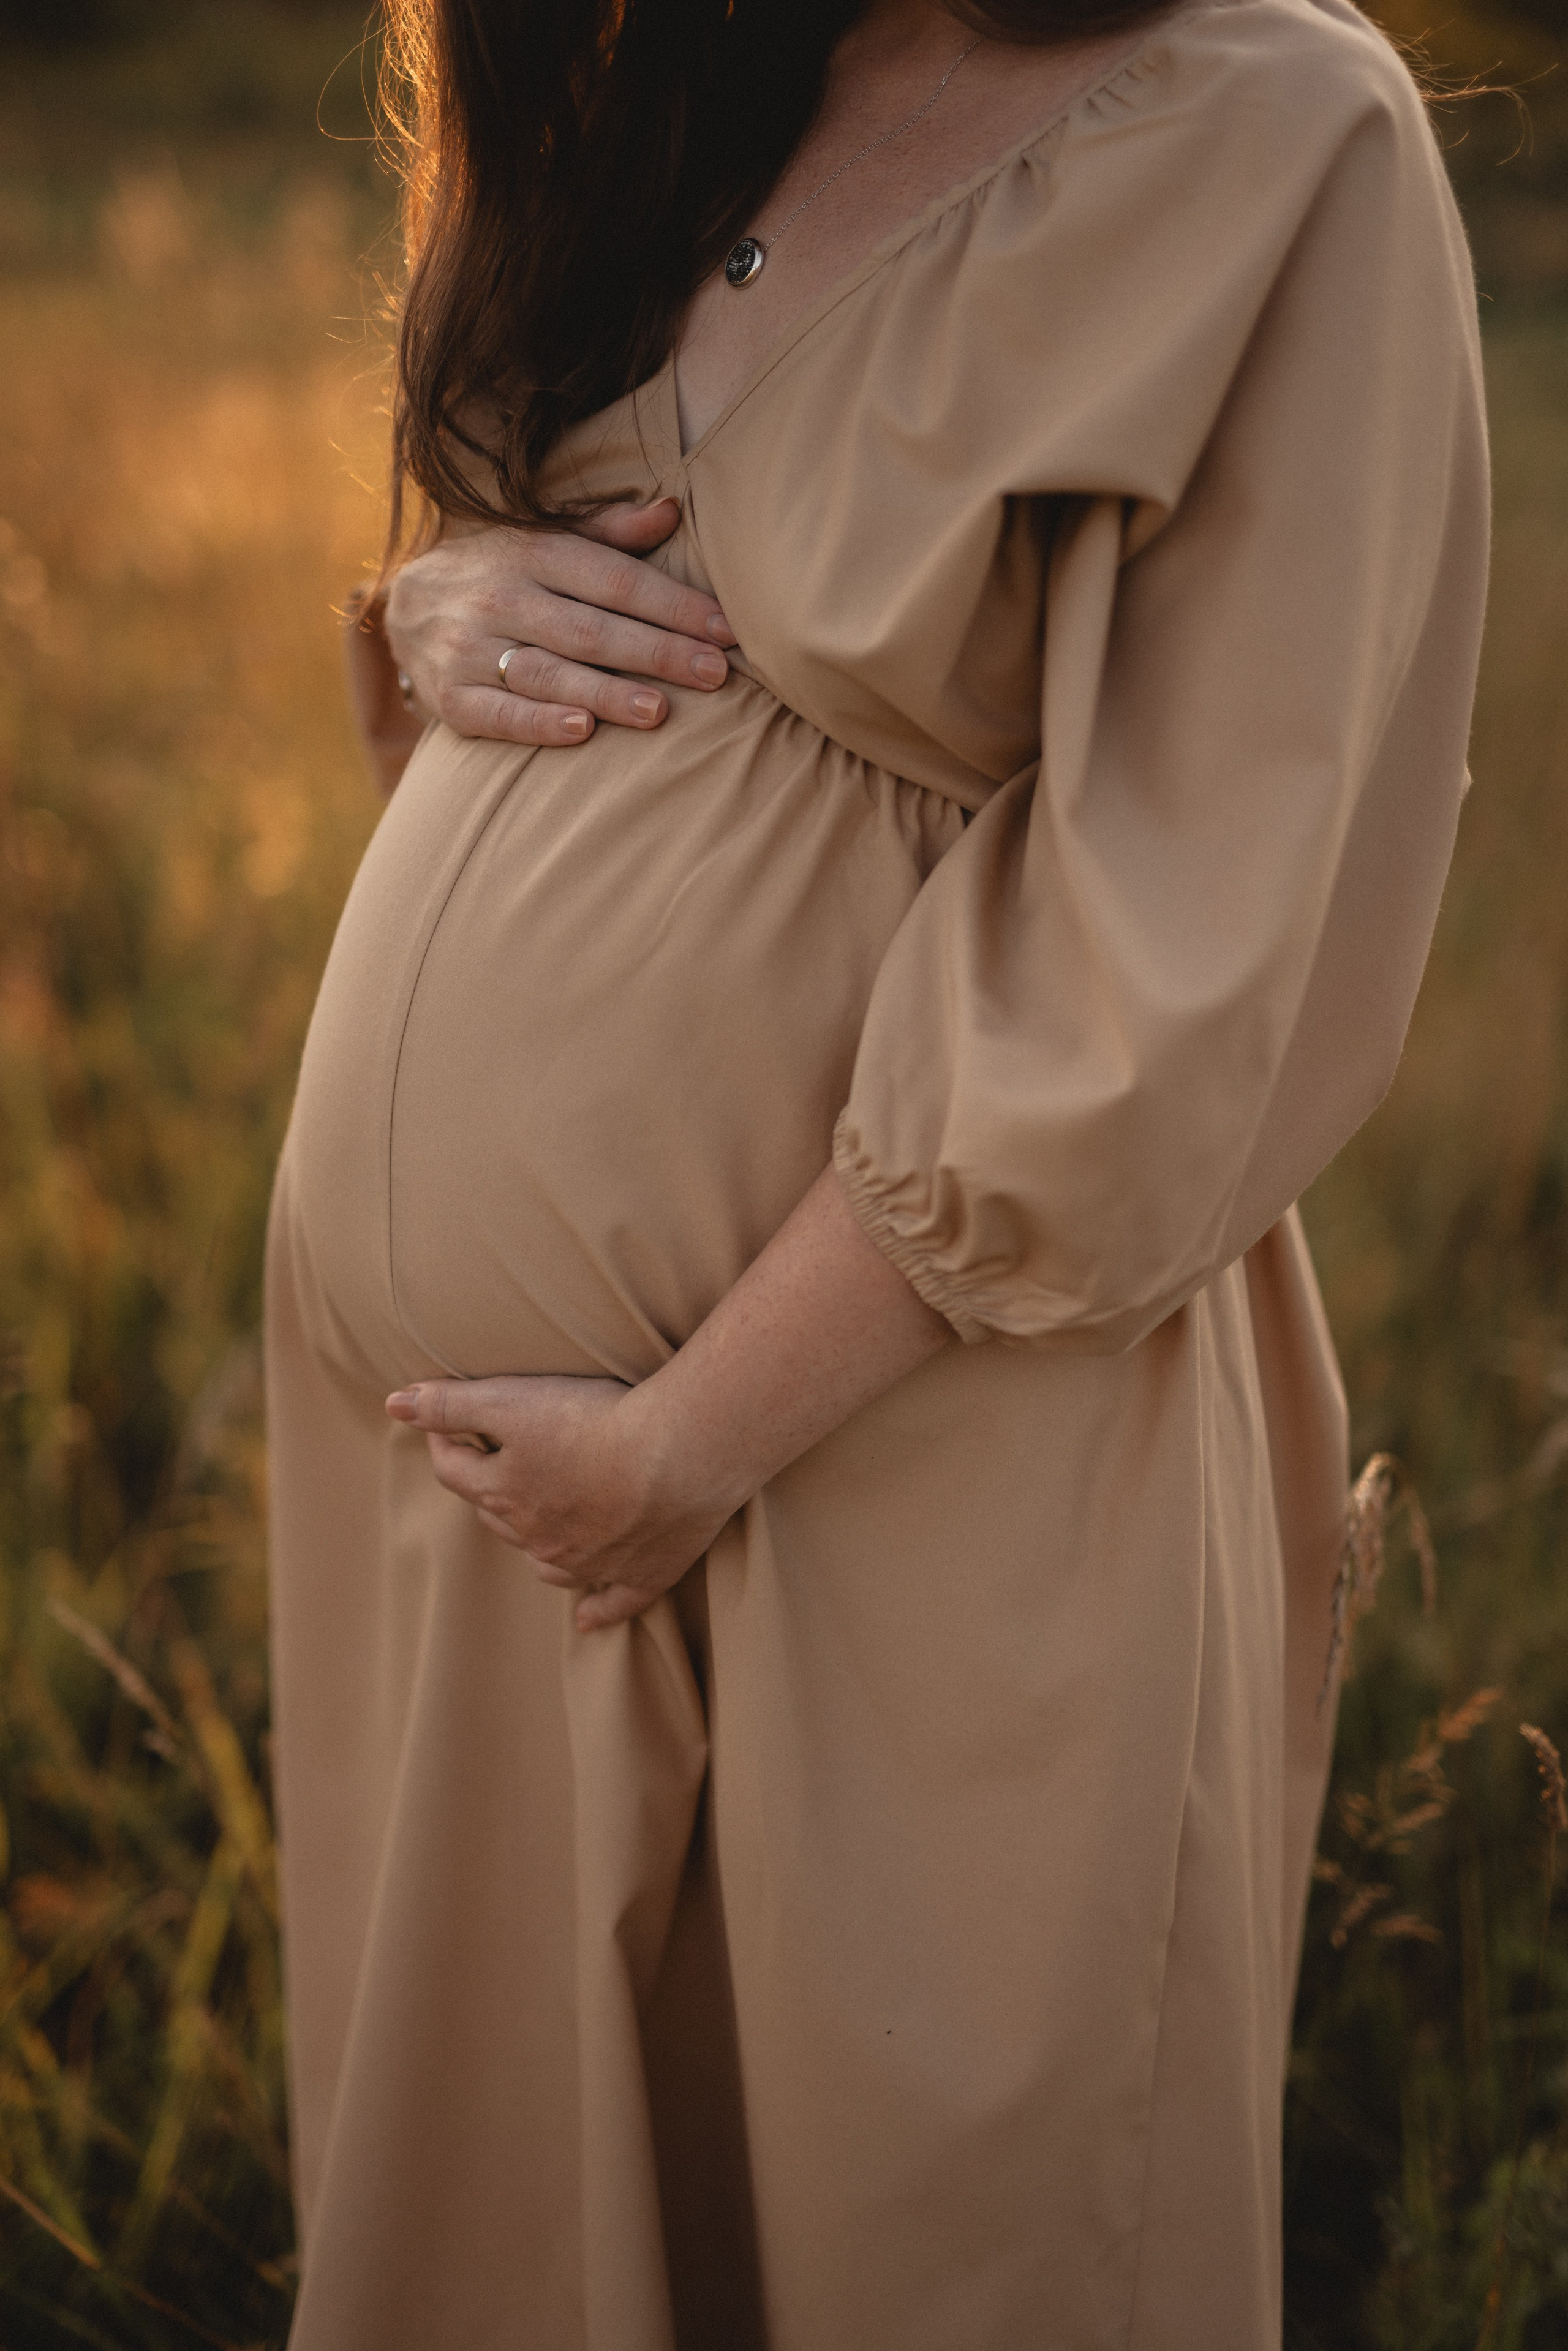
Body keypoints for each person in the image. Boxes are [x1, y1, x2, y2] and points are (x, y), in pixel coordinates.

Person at [265, 0, 1488, 2339]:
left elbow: (1200, 933)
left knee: (926, 2241)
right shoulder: (690, 76)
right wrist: (424, 617)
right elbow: (552, 611)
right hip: (506, 1522)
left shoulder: (1281, 135)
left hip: (899, 1437)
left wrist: (690, 1438)